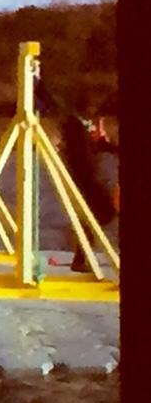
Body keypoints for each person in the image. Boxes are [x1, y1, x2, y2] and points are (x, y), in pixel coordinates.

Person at [53, 92, 118, 272]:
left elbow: (94, 145)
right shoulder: (76, 123)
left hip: (85, 174)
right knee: (101, 212)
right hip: (83, 176)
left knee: (96, 215)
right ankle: (81, 258)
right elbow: (80, 150)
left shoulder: (81, 123)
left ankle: (81, 258)